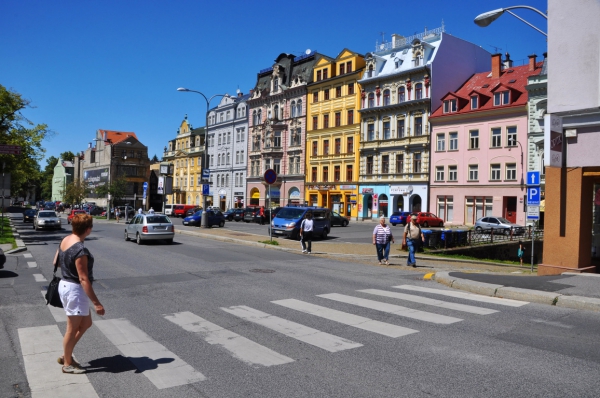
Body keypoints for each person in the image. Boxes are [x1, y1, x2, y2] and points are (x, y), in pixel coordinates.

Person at [52, 213, 105, 374]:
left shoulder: (65, 240)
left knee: (86, 323)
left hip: (65, 284)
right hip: (74, 289)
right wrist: (97, 303)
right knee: (71, 328)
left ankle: (66, 354)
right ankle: (67, 363)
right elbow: (83, 278)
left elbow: (56, 262)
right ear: (88, 229)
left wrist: (68, 266)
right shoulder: (80, 249)